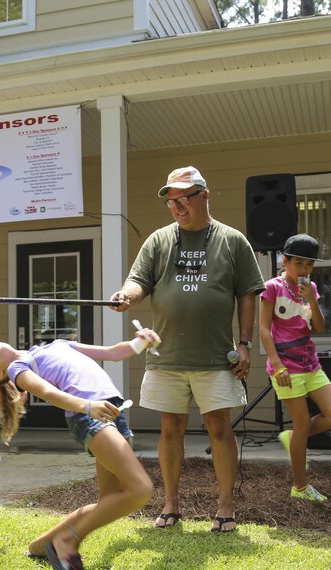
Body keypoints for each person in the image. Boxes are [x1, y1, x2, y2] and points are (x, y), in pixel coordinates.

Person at [109, 166, 265, 532]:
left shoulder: (232, 240)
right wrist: (125, 296)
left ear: (204, 196)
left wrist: (244, 344)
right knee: (170, 429)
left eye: (184, 198)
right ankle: (171, 504)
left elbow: (247, 295)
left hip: (215, 356)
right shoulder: (159, 241)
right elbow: (137, 282)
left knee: (219, 428)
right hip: (167, 356)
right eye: (172, 201)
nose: (177, 206)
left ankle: (225, 507)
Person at [0, 328, 160, 570]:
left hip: (112, 411)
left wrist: (141, 342)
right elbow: (47, 392)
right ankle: (68, 541)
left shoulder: (58, 345)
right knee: (140, 489)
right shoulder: (19, 367)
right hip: (90, 415)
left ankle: (41, 545)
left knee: (109, 500)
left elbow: (114, 353)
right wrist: (86, 406)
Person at [258, 234, 331, 503]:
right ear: (285, 261)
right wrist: (277, 364)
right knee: (301, 423)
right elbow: (263, 328)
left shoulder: (311, 287)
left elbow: (318, 328)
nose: (305, 270)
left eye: (309, 265)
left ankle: (294, 437)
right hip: (286, 366)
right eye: (299, 264)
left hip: (311, 364)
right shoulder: (272, 287)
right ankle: (300, 487)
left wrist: (314, 300)